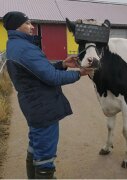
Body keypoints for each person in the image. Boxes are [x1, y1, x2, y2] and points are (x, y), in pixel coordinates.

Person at [3, 11, 92, 179]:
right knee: (45, 157)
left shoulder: (16, 45)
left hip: (34, 106)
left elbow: (38, 71)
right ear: (17, 26)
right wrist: (79, 73)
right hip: (42, 108)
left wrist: (62, 64)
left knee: (36, 146)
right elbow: (52, 77)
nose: (31, 26)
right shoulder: (25, 49)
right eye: (27, 23)